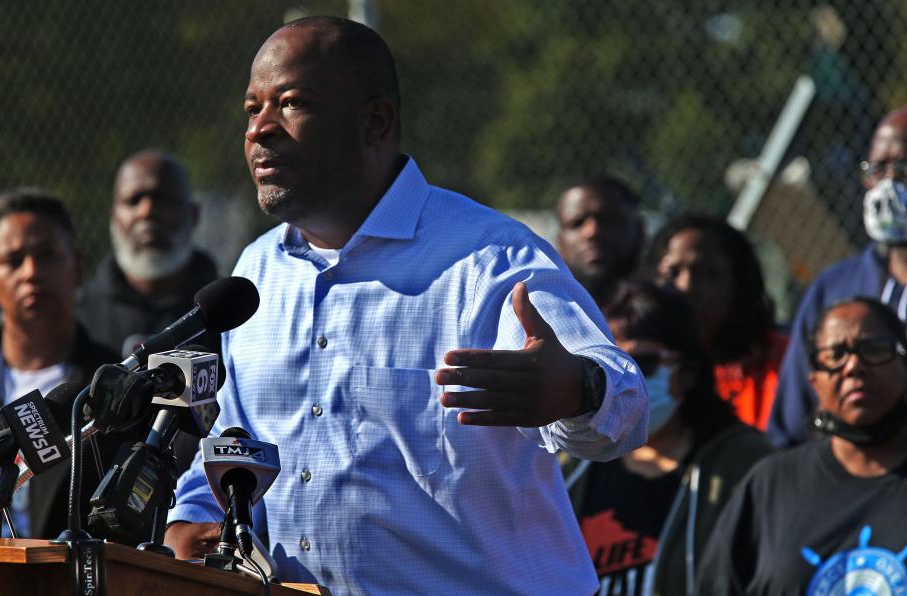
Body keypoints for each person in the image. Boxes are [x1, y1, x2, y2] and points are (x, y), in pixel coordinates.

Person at [165, 16, 647, 595]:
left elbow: (627, 405)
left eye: (291, 104)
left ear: (376, 121)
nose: (260, 130)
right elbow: (232, 441)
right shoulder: (255, 273)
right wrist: (195, 516)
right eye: (252, 109)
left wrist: (577, 390)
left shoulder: (490, 259)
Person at [566, 281, 772, 595]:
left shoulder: (746, 466)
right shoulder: (568, 463)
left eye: (643, 364)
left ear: (688, 372)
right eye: (608, 366)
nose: (625, 380)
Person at [697, 297, 907, 595]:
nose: (854, 367)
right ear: (814, 382)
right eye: (835, 355)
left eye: (873, 349)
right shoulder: (769, 485)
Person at [0, 190, 123, 538]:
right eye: (13, 260)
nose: (31, 272)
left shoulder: (117, 389)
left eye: (47, 255)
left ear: (76, 265)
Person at [769, 106, 907, 447]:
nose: (888, 184)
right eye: (877, 168)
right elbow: (790, 422)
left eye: (903, 167)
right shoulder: (835, 289)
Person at [647, 214, 786, 431]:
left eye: (708, 274)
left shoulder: (785, 362)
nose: (685, 286)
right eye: (672, 273)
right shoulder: (640, 365)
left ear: (740, 285)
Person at [76, 149, 219, 357]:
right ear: (114, 217)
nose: (147, 211)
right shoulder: (79, 316)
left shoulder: (225, 311)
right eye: (134, 200)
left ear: (194, 215)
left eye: (164, 200)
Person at [556, 177, 645, 309]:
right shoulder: (540, 312)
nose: (591, 232)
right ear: (560, 241)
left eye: (607, 220)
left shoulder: (672, 311)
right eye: (577, 223)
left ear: (639, 230)